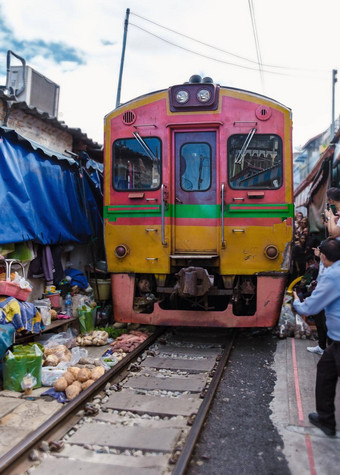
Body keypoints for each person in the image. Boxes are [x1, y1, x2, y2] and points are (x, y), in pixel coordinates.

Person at [293, 237, 340, 437]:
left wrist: (296, 302)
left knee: (327, 372)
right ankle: (325, 419)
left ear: (326, 256)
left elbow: (311, 307)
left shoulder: (332, 275)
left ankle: (326, 419)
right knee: (325, 370)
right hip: (335, 340)